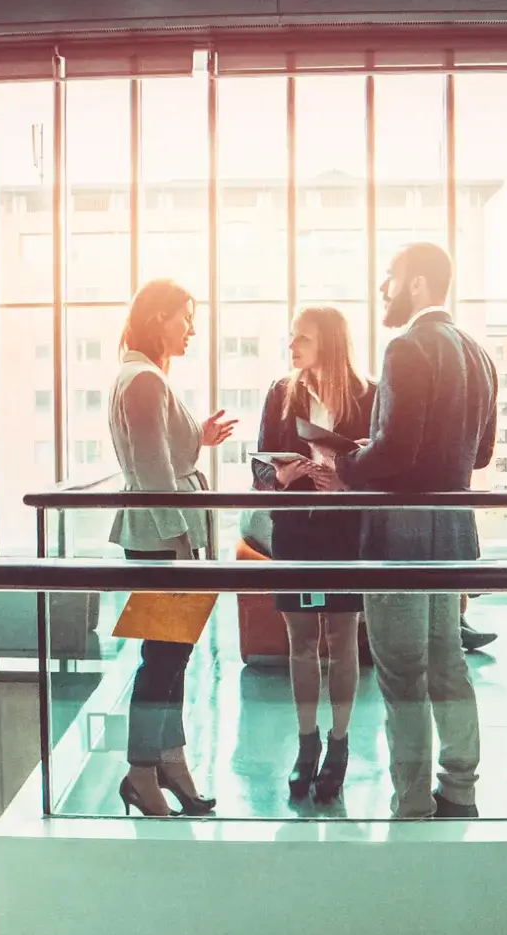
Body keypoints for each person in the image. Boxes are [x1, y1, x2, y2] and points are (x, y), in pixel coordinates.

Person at [337, 242, 498, 819]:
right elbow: (480, 456)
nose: (384, 289)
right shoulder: (478, 354)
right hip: (451, 530)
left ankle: (410, 801)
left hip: (400, 534)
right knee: (447, 659)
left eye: (392, 278)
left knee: (401, 670)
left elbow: (397, 449)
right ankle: (461, 789)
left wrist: (348, 463)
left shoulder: (406, 347)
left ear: (419, 285)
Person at [108, 279, 236, 817]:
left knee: (171, 658)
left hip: (165, 536)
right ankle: (142, 768)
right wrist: (184, 544)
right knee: (161, 661)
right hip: (165, 541)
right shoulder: (143, 381)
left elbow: (158, 453)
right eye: (184, 317)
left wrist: (196, 439)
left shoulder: (145, 378)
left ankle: (168, 759)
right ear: (158, 316)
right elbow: (154, 471)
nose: (190, 328)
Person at [253, 307, 375, 805]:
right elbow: (259, 471)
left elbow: (382, 467)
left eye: (301, 338)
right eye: (291, 337)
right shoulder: (282, 395)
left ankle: (339, 746)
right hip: (296, 533)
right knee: (300, 640)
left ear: (329, 341)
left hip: (345, 533)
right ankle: (307, 745)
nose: (292, 346)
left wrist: (347, 475)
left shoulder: (370, 395)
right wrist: (281, 476)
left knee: (343, 639)